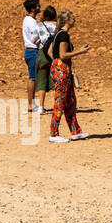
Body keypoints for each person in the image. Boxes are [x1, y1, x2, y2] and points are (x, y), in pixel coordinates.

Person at [46, 9, 89, 143]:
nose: (74, 19)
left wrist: (55, 62)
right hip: (62, 69)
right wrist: (80, 52)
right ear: (67, 20)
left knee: (70, 101)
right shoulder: (63, 35)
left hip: (59, 68)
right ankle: (53, 133)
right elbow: (63, 54)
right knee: (60, 101)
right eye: (72, 17)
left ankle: (76, 131)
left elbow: (49, 51)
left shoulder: (58, 34)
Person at [32, 6, 58, 112]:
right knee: (56, 81)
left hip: (42, 54)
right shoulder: (58, 26)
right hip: (55, 54)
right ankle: (57, 104)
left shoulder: (40, 26)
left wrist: (41, 42)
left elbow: (33, 40)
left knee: (41, 80)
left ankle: (41, 106)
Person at [21, 0, 42, 112]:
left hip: (30, 51)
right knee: (32, 78)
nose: (40, 8)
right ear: (33, 9)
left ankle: (32, 104)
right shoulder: (31, 22)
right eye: (38, 6)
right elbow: (36, 38)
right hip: (33, 51)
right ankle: (31, 104)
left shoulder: (28, 20)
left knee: (33, 78)